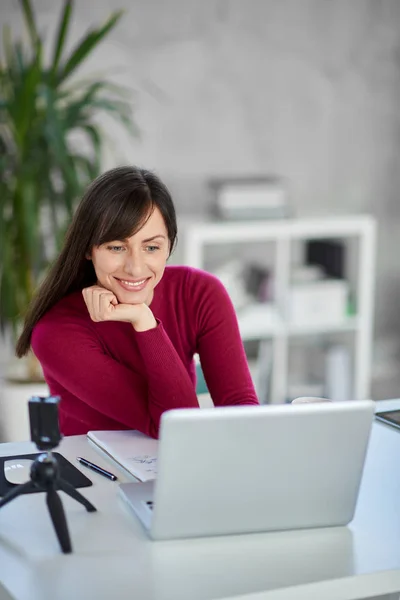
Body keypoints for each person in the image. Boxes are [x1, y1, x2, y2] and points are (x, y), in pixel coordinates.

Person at [16, 166, 259, 438]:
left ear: (169, 245)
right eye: (116, 247)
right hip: (92, 474)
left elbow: (242, 413)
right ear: (88, 248)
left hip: (172, 467)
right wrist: (146, 324)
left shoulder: (200, 293)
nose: (135, 268)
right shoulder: (56, 332)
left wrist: (141, 317)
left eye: (151, 247)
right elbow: (174, 426)